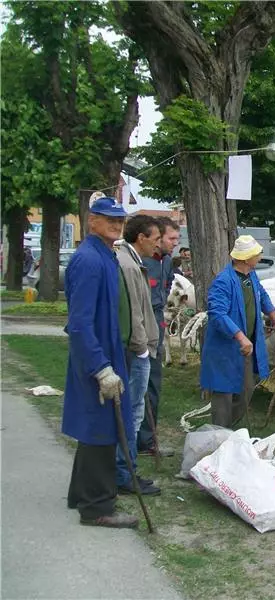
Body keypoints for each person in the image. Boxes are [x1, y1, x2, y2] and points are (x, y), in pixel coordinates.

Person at [63, 197, 138, 528]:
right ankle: (97, 508)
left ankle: (81, 493)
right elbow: (79, 323)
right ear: (91, 220)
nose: (116, 224)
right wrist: (101, 368)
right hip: (96, 358)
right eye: (108, 219)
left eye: (120, 220)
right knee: (101, 430)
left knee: (98, 425)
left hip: (107, 352)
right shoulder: (89, 260)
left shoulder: (104, 255)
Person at [200, 235, 275, 427]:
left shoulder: (251, 275)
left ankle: (228, 430)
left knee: (246, 390)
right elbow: (217, 313)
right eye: (257, 254)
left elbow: (263, 297)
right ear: (246, 258)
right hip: (226, 347)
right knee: (224, 393)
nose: (260, 257)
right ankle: (219, 435)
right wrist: (240, 337)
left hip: (247, 346)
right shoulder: (223, 281)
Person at [114, 215, 162, 496]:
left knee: (132, 412)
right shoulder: (129, 265)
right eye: (155, 238)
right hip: (136, 351)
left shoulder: (130, 261)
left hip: (137, 348)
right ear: (141, 238)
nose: (157, 244)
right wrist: (142, 347)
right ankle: (125, 473)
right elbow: (134, 311)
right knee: (131, 413)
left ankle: (126, 469)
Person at [138, 216, 180, 457]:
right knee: (139, 386)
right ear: (158, 238)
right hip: (141, 333)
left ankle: (146, 440)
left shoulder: (166, 262)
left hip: (156, 332)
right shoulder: (141, 261)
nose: (175, 243)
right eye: (171, 238)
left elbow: (163, 292)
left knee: (153, 386)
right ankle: (139, 440)